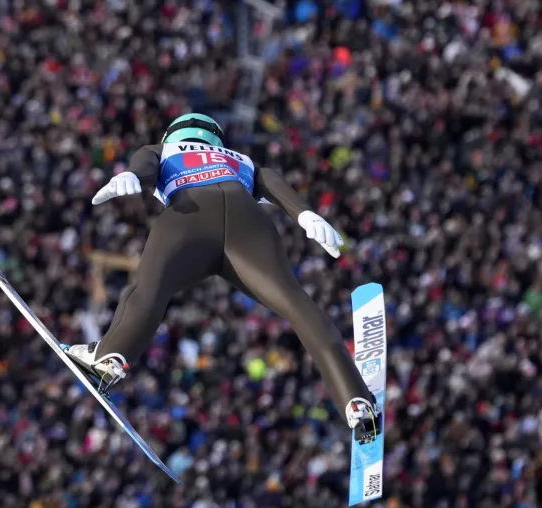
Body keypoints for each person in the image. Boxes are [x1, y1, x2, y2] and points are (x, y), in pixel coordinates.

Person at [63, 113, 381, 438]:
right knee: (296, 303)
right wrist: (305, 213)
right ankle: (355, 398)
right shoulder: (240, 158)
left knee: (148, 290)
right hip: (249, 227)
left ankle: (111, 356)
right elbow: (269, 179)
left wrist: (131, 174)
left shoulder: (165, 149)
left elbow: (146, 161)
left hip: (190, 218)